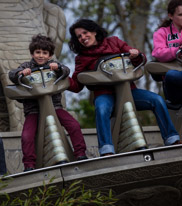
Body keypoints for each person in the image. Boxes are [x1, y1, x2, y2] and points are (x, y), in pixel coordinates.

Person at [68, 18, 181, 157]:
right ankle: (106, 149)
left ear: (94, 32)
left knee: (157, 100)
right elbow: (76, 84)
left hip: (129, 91)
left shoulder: (114, 42)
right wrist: (60, 75)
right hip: (105, 94)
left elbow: (140, 58)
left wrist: (135, 55)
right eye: (79, 36)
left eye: (85, 33)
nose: (83, 38)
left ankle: (172, 139)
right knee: (101, 108)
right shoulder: (81, 58)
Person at [9, 34, 87, 172]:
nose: (41, 55)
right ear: (32, 53)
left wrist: (57, 68)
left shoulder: (54, 66)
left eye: (44, 53)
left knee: (73, 125)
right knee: (27, 135)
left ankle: (80, 153)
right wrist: (21, 73)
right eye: (38, 52)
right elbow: (12, 74)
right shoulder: (26, 66)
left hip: (54, 107)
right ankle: (29, 164)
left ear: (50, 55)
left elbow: (66, 70)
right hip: (34, 109)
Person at [152, 0, 182, 104]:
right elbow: (158, 53)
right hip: (173, 81)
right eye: (180, 15)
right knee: (171, 75)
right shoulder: (161, 33)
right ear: (171, 16)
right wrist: (178, 51)